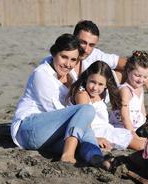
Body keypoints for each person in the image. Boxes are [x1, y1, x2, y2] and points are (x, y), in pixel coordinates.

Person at [11, 33, 112, 170]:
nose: (67, 64)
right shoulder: (41, 74)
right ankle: (67, 155)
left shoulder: (70, 75)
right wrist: (85, 129)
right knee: (86, 110)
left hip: (49, 135)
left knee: (82, 143)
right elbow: (59, 111)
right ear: (54, 53)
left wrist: (89, 135)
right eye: (64, 57)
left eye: (73, 60)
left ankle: (96, 158)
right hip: (29, 129)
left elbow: (73, 117)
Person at [67, 61, 146, 151]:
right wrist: (94, 138)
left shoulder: (103, 93)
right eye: (92, 82)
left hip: (108, 129)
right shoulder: (82, 94)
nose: (95, 88)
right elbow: (84, 120)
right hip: (95, 132)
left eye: (100, 84)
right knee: (140, 145)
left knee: (140, 139)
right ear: (86, 79)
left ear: (106, 84)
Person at [41, 20, 126, 85]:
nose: (86, 50)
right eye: (83, 42)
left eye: (91, 45)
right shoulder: (55, 62)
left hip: (90, 99)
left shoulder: (94, 55)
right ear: (74, 38)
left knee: (130, 75)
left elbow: (126, 63)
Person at [109, 51, 148, 133]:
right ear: (128, 70)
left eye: (145, 77)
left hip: (137, 126)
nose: (141, 80)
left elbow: (142, 109)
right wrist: (132, 133)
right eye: (137, 75)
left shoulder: (140, 88)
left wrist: (145, 123)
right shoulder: (125, 90)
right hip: (123, 127)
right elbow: (124, 116)